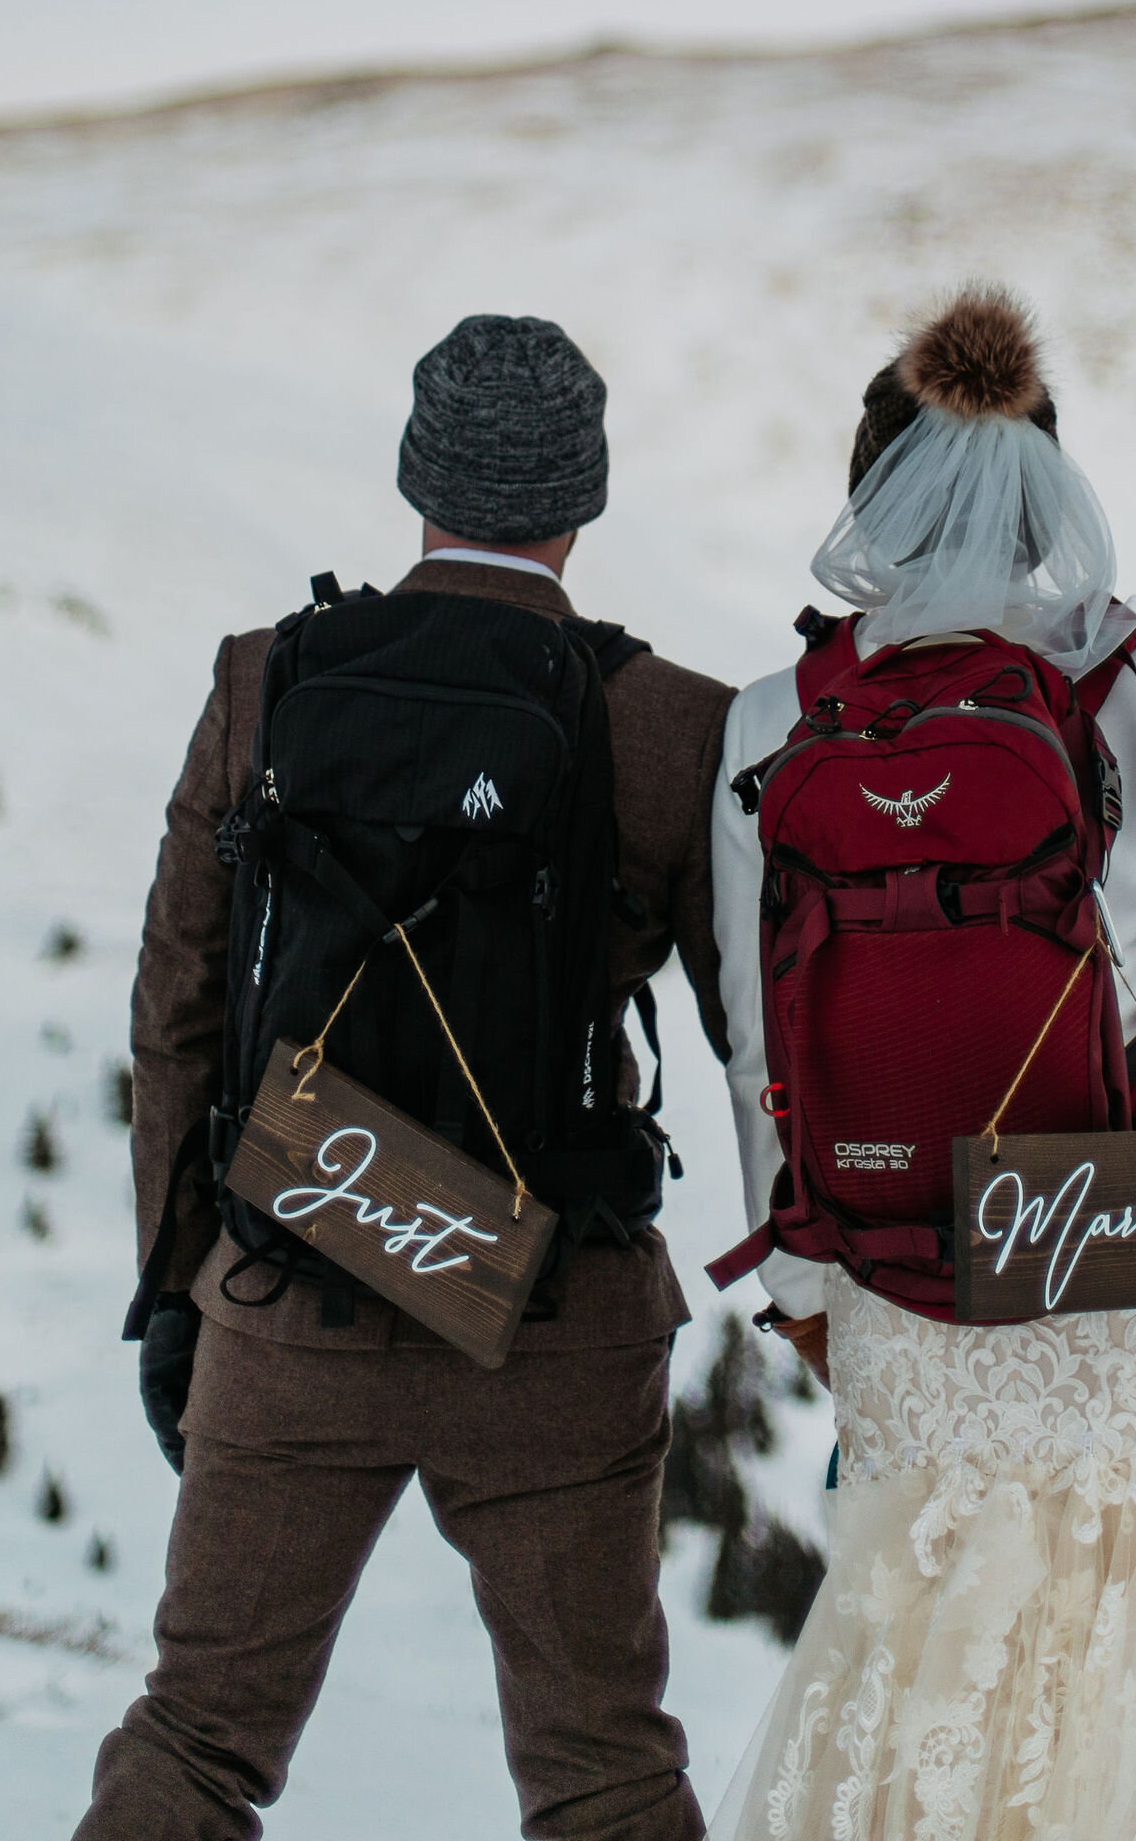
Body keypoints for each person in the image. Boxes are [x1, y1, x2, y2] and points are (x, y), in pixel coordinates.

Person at [79, 314, 735, 1841]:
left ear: (411, 474)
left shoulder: (265, 680)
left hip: (290, 1293)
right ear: (587, 494)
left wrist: (178, 1290)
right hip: (556, 1326)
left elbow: (177, 1008)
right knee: (606, 1772)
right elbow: (755, 1032)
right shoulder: (669, 724)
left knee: (195, 1741)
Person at [710, 287, 1136, 1841]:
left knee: (930, 1684)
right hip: (1120, 1256)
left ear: (866, 497)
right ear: (1049, 490)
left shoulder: (784, 718)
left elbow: (760, 1024)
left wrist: (800, 1287)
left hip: (903, 1282)